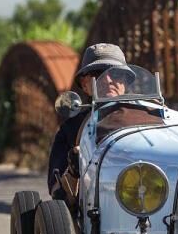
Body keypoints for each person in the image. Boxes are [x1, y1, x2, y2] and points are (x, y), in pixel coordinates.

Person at [47, 43, 127, 204]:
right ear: (85, 85)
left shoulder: (152, 117)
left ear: (125, 82)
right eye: (99, 74)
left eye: (116, 74)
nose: (109, 80)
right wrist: (73, 169)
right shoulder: (71, 128)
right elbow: (57, 195)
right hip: (94, 210)